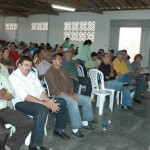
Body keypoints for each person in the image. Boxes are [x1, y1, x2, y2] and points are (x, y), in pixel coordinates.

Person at [9, 56, 70, 150]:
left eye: (30, 65)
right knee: (41, 110)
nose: (28, 68)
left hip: (37, 100)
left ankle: (59, 129)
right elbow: (26, 97)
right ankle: (34, 145)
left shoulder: (32, 74)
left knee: (61, 101)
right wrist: (47, 104)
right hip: (22, 103)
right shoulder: (14, 77)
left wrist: (48, 100)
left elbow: (41, 90)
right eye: (26, 65)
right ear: (19, 65)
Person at [45, 54, 94, 139]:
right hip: (58, 95)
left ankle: (85, 123)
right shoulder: (50, 72)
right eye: (59, 59)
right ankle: (75, 130)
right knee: (73, 103)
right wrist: (69, 96)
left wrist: (72, 92)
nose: (61, 61)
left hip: (68, 94)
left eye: (61, 59)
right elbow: (55, 90)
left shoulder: (62, 69)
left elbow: (70, 81)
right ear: (53, 61)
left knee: (87, 99)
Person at [0, 75, 33, 150]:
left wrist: (3, 91)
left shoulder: (2, 77)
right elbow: (7, 92)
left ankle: (9, 146)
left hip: (4, 110)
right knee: (2, 133)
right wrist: (4, 89)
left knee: (27, 122)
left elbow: (11, 94)